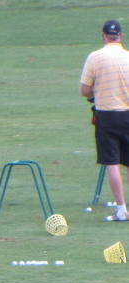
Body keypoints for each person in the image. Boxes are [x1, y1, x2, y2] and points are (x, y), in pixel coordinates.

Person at [80, 19, 129, 222]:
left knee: (112, 162)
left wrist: (98, 92)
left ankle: (121, 209)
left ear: (103, 36)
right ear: (121, 37)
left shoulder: (95, 57)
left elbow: (85, 90)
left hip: (107, 114)